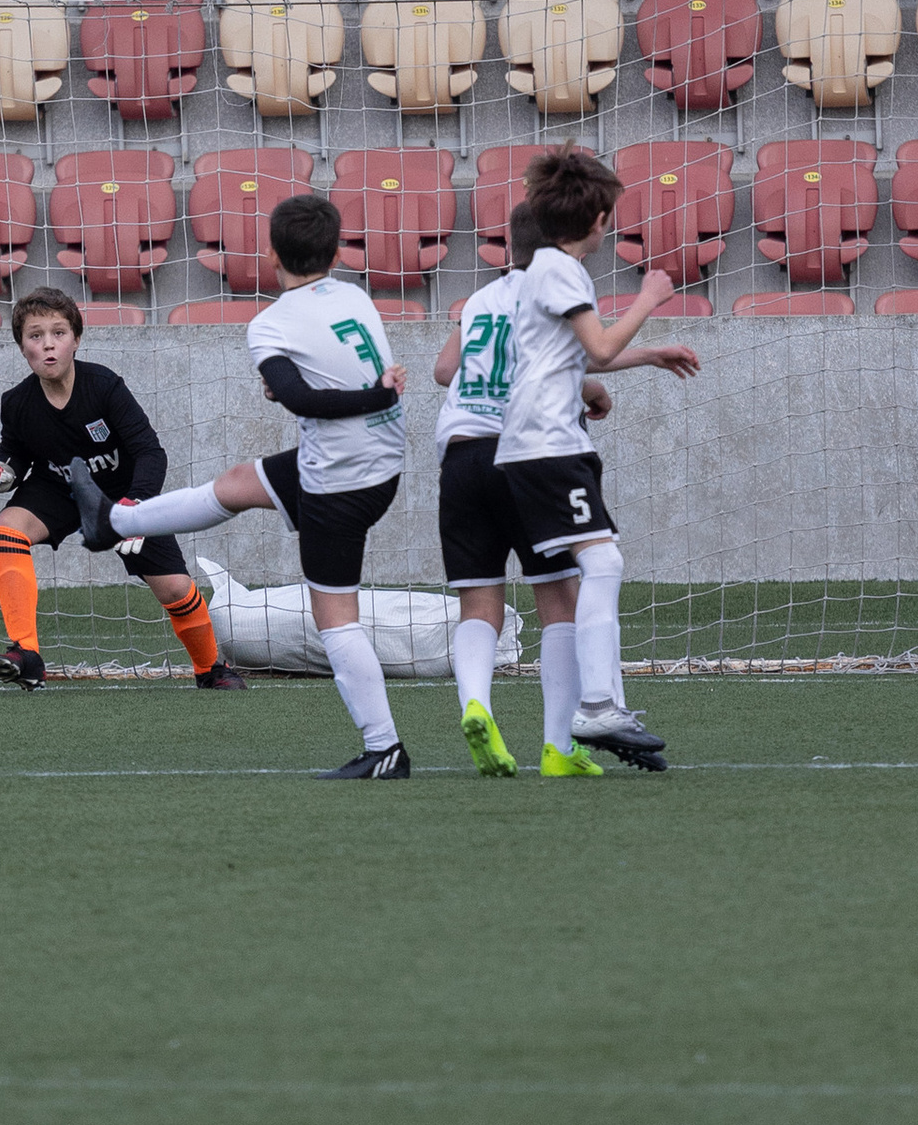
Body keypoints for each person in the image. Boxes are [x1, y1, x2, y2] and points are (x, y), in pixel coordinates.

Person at [88, 191, 413, 780]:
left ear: (269, 255)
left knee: (335, 617)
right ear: (338, 250)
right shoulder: (354, 294)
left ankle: (384, 747)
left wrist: (374, 393)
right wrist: (309, 387)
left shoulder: (270, 324)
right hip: (378, 460)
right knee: (240, 483)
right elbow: (312, 379)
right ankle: (113, 521)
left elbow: (301, 397)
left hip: (337, 481)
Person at [433, 198, 695, 780]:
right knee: (561, 599)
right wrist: (589, 385)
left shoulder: (481, 298)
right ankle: (559, 744)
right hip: (527, 453)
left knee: (478, 602)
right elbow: (559, 360)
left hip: (459, 455)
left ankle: (476, 703)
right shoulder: (553, 284)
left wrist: (611, 373)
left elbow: (445, 372)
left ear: (508, 244)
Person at [0, 287, 237, 694]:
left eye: (58, 333)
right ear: (21, 346)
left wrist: (134, 509)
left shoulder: (105, 386)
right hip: (56, 490)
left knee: (175, 589)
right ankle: (25, 653)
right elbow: (14, 453)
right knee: (8, 526)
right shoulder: (16, 402)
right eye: (35, 335)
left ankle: (210, 668)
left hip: (121, 494)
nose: (48, 344)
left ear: (76, 339)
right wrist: (5, 471)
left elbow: (151, 453)